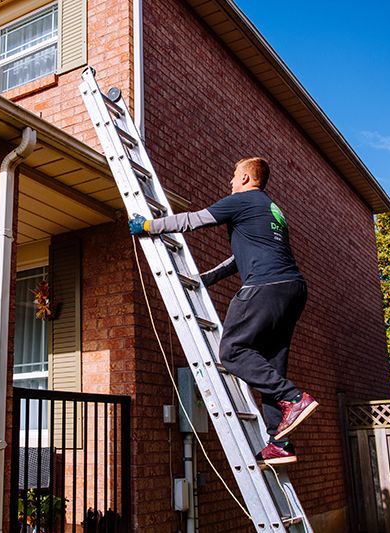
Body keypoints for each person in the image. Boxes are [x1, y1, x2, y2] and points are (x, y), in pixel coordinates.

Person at [128, 157, 318, 465]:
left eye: (233, 176)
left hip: (265, 287)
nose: (230, 182)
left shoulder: (241, 200)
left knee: (231, 351)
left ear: (244, 178)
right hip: (293, 290)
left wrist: (149, 226)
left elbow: (193, 220)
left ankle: (295, 398)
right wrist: (207, 279)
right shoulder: (271, 209)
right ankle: (278, 442)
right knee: (269, 366)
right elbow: (237, 260)